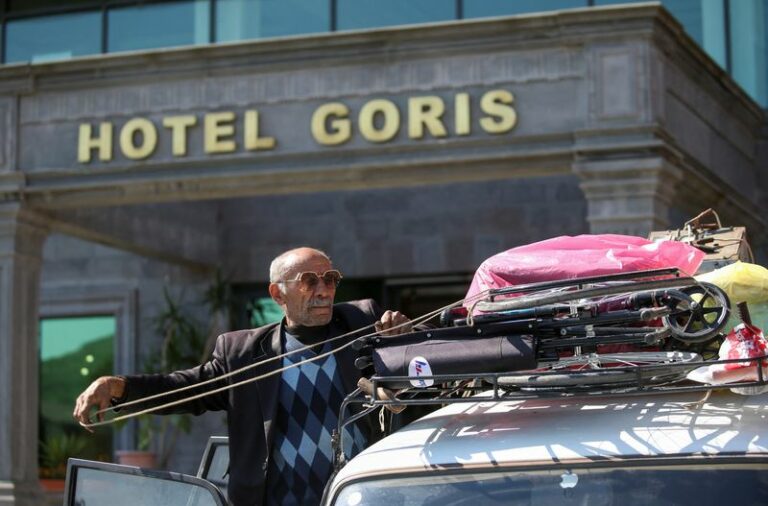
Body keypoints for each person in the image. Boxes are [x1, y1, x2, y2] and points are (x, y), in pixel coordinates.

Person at [73, 247, 413, 506]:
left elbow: (429, 357)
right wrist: (118, 387)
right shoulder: (243, 353)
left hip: (359, 497)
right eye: (309, 281)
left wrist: (404, 338)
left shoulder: (363, 322)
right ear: (278, 294)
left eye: (330, 279)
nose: (324, 289)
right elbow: (186, 388)